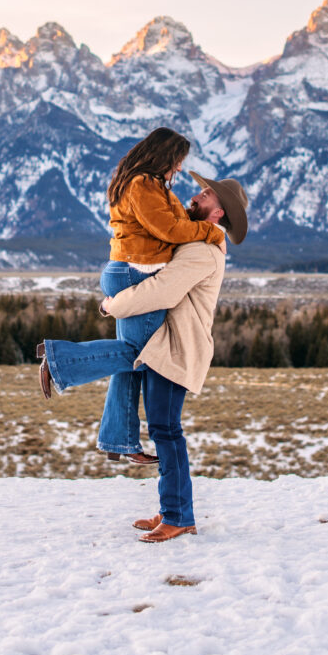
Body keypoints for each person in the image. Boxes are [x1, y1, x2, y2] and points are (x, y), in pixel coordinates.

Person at [37, 171, 248, 542]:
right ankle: (173, 510)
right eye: (202, 190)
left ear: (218, 214)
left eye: (206, 195)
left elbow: (163, 290)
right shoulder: (195, 242)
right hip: (166, 345)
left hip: (177, 350)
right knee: (165, 430)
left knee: (167, 431)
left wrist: (112, 305)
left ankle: (179, 516)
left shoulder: (202, 252)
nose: (197, 197)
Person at [92, 127, 226, 463]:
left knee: (133, 357)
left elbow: (174, 224)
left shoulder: (151, 186)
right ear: (163, 156)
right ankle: (63, 361)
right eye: (178, 161)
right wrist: (210, 231)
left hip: (130, 269)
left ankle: (118, 440)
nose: (179, 169)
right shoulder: (142, 185)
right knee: (138, 356)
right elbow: (169, 230)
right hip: (134, 271)